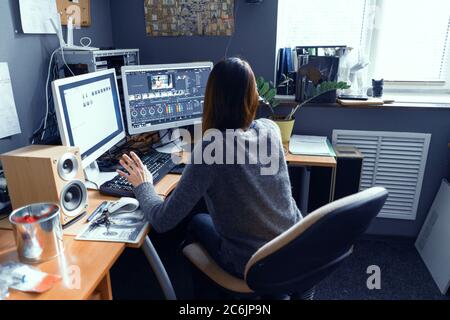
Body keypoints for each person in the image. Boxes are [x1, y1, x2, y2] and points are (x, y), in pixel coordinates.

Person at [118, 57, 302, 277]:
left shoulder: (210, 150)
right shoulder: (270, 129)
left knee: (196, 223)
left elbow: (162, 221)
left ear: (211, 100)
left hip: (252, 264)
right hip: (294, 249)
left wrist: (143, 185)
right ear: (254, 97)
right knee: (202, 217)